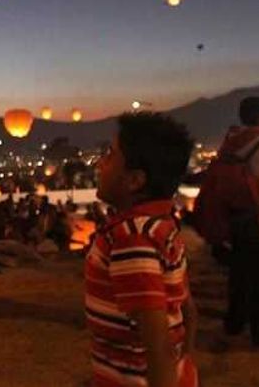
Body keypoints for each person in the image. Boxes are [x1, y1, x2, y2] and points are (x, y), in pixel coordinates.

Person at [85, 112, 198, 387]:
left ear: (134, 180)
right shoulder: (162, 226)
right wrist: (185, 362)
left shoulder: (131, 238)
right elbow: (188, 310)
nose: (100, 162)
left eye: (110, 155)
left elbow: (157, 342)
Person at [219, 96, 259, 345]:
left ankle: (233, 323)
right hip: (256, 217)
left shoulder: (232, 141)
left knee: (239, 273)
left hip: (232, 216)